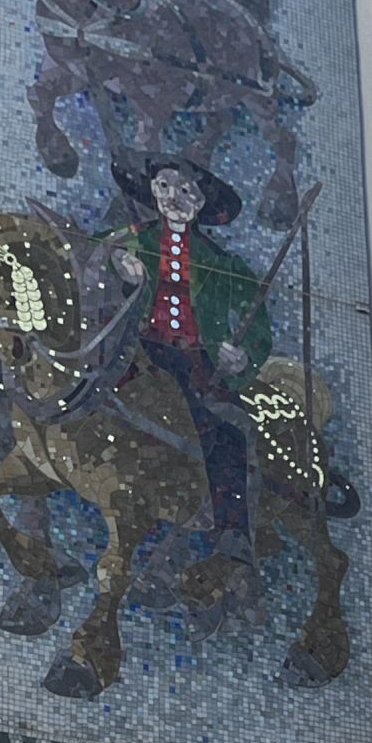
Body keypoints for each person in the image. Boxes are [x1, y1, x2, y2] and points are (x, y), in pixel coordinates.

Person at [110, 154, 271, 561]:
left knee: (229, 434)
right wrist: (116, 264)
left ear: (200, 203)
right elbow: (88, 258)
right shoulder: (131, 239)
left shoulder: (222, 263)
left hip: (195, 362)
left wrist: (242, 357)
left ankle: (232, 533)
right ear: (151, 190)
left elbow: (257, 323)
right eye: (164, 186)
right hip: (136, 348)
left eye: (186, 191)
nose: (173, 197)